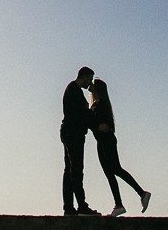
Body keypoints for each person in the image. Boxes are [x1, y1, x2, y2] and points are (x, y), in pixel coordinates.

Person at [89, 77, 151, 217]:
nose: (90, 86)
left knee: (115, 169)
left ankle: (141, 193)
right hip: (102, 140)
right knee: (110, 172)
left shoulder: (100, 104)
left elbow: (96, 122)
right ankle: (119, 204)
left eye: (93, 85)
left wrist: (96, 125)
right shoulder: (98, 104)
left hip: (106, 140)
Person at [60, 66, 99, 215]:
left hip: (70, 133)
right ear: (84, 77)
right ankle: (81, 206)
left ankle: (69, 207)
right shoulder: (74, 92)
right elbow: (83, 115)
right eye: (89, 79)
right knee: (75, 170)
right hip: (73, 134)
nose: (89, 83)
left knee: (70, 170)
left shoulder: (72, 90)